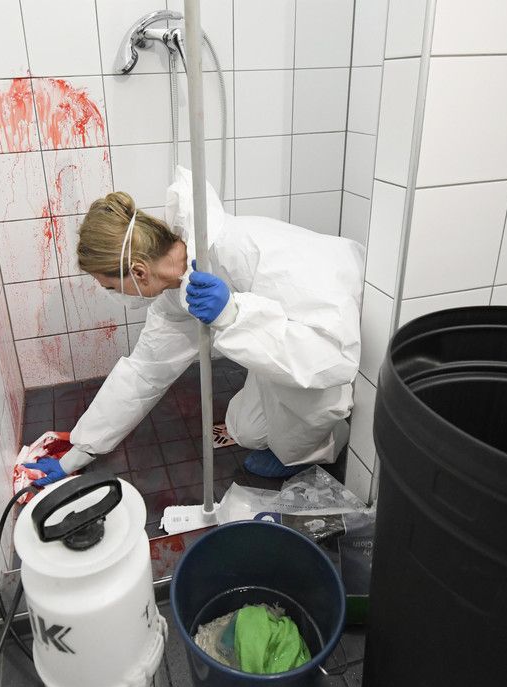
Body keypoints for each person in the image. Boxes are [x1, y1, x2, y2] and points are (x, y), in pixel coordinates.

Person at [53, 167, 364, 480]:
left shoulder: (240, 250)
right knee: (247, 431)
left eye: (111, 287)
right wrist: (82, 448)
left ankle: (314, 450)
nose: (115, 296)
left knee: (295, 435)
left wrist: (232, 315)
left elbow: (331, 356)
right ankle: (294, 436)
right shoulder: (175, 292)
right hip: (281, 344)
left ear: (138, 272)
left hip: (335, 333)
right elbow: (145, 372)